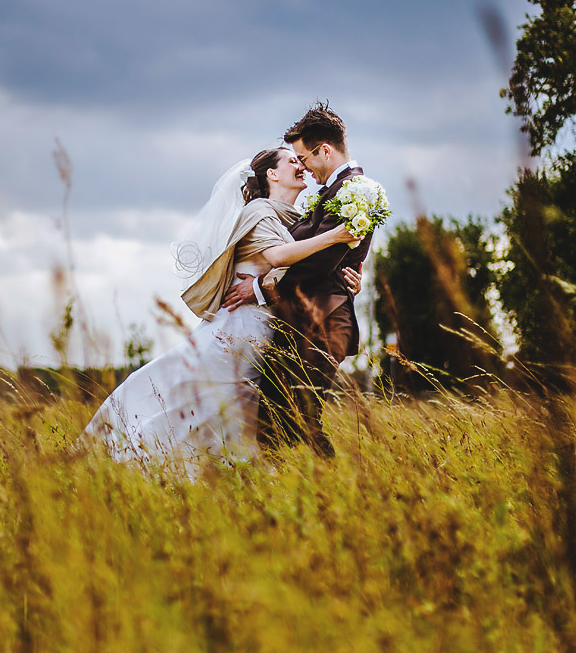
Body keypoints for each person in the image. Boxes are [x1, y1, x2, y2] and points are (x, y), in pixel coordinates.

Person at [81, 147, 360, 475]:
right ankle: (132, 461)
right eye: (292, 161)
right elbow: (280, 258)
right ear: (272, 174)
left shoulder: (297, 220)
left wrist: (343, 278)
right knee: (200, 402)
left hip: (267, 329)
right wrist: (337, 237)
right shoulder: (257, 212)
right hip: (241, 328)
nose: (301, 166)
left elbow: (302, 270)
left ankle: (215, 478)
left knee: (228, 410)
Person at [222, 103, 376, 457]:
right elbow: (317, 251)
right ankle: (284, 493)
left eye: (303, 157)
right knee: (273, 416)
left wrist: (259, 286)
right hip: (303, 318)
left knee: (300, 416)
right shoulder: (331, 193)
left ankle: (335, 491)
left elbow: (320, 262)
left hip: (326, 319)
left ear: (324, 150)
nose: (302, 166)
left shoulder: (357, 191)